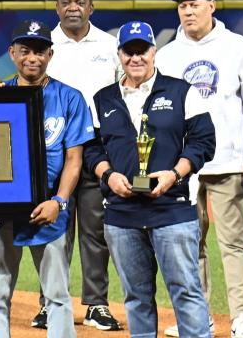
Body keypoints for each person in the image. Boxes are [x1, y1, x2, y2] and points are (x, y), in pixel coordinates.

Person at [85, 20, 216, 338]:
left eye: (141, 50)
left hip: (172, 210)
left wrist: (174, 174)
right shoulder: (102, 99)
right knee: (136, 299)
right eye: (128, 52)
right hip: (121, 213)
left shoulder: (181, 90)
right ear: (119, 55)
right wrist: (109, 175)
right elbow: (90, 149)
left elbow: (203, 141)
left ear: (153, 52)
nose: (135, 58)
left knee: (186, 293)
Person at [157, 0, 243, 338]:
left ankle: (240, 319)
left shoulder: (236, 46)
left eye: (194, 3)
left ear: (212, 6)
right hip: (182, 167)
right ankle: (197, 316)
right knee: (190, 243)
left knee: (233, 243)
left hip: (226, 162)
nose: (187, 10)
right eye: (182, 4)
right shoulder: (167, 53)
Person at [0, 20, 94, 338]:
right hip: (3, 212)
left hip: (49, 211)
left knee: (57, 296)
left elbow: (74, 160)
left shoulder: (69, 98)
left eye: (40, 51)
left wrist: (59, 202)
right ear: (12, 53)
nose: (32, 57)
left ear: (50, 54)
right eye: (25, 50)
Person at [41, 0, 122, 331]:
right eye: (65, 1)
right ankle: (50, 302)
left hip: (97, 146)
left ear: (92, 7)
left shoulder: (110, 44)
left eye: (80, 1)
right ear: (57, 8)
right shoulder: (44, 44)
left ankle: (96, 304)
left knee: (95, 229)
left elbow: (123, 94)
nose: (72, 6)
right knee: (54, 227)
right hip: (53, 146)